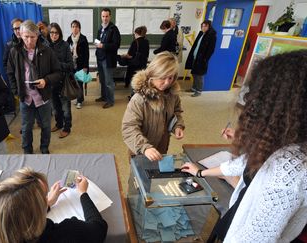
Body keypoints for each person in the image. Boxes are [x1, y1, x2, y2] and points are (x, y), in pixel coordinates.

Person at [182, 50, 307, 242]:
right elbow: (243, 164)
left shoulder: (287, 168)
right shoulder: (286, 143)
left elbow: (254, 238)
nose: (249, 102)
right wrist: (200, 173)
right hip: (237, 216)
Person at [0, 167, 108, 243]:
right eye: (44, 196)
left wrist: (47, 203)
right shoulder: (66, 233)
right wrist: (83, 194)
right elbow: (99, 228)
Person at [6, 20, 62, 154]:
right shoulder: (14, 51)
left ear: (37, 36)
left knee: (46, 126)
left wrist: (46, 80)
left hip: (43, 97)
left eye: (32, 37)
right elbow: (10, 72)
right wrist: (16, 91)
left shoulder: (47, 51)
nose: (29, 40)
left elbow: (58, 72)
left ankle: (44, 148)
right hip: (25, 98)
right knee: (26, 127)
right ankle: (27, 151)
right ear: (20, 35)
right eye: (26, 37)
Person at [122, 52, 185, 161]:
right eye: (163, 78)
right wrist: (144, 148)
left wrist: (177, 126)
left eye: (170, 78)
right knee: (138, 176)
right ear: (153, 74)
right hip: (140, 150)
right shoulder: (139, 99)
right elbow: (129, 128)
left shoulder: (172, 95)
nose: (166, 83)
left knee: (156, 172)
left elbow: (177, 112)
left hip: (161, 147)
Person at [49, 23, 75, 139]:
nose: (54, 35)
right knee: (55, 107)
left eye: (56, 33)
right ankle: (59, 124)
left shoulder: (65, 45)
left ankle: (67, 127)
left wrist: (57, 65)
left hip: (63, 82)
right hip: (51, 83)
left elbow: (71, 65)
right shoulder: (46, 46)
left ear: (59, 34)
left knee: (65, 108)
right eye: (52, 33)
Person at [95, 8, 121, 109]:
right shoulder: (100, 27)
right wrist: (97, 43)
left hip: (108, 59)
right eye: (103, 16)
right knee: (102, 79)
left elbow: (116, 45)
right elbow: (98, 39)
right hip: (100, 58)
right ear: (101, 17)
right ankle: (104, 96)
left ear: (110, 16)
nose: (105, 18)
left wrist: (103, 46)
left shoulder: (114, 29)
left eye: (106, 16)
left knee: (109, 82)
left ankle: (110, 101)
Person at [185, 20, 216, 97]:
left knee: (199, 75)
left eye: (205, 26)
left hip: (202, 59)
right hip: (195, 57)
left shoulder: (212, 36)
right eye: (202, 26)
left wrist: (205, 59)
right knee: (194, 73)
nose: (203, 27)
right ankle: (194, 88)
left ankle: (199, 90)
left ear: (209, 26)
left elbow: (211, 50)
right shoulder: (201, 33)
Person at [67, 20, 89, 109]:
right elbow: (66, 52)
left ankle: (79, 101)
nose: (74, 28)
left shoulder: (83, 38)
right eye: (73, 26)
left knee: (79, 83)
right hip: (72, 64)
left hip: (81, 64)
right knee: (74, 83)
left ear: (79, 28)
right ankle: (80, 98)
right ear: (71, 28)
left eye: (76, 27)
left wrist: (85, 66)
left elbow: (86, 54)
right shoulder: (69, 39)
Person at [121, 26, 149, 90]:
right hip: (143, 63)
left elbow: (130, 55)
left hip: (134, 63)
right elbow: (146, 53)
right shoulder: (146, 41)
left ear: (136, 33)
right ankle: (140, 88)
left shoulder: (135, 42)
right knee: (140, 77)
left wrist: (123, 56)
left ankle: (130, 87)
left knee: (132, 76)